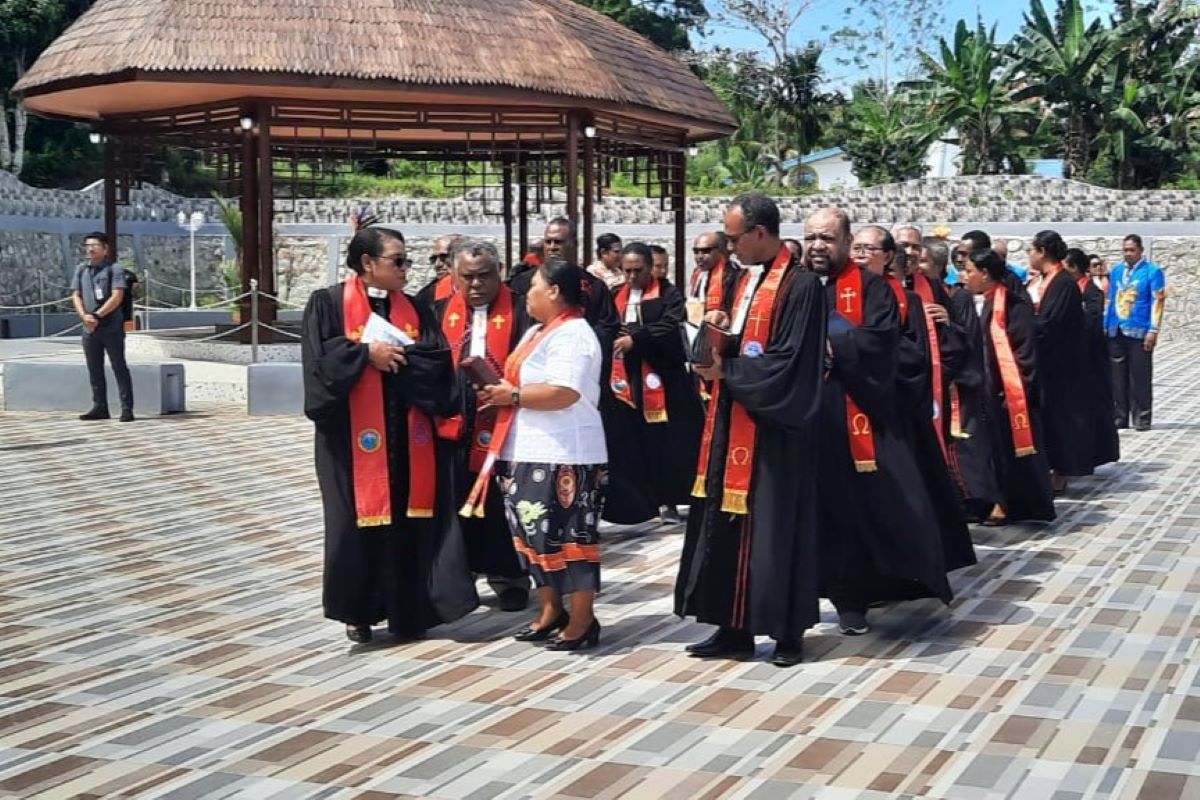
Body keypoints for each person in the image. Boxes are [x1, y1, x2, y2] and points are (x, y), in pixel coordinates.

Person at [301, 226, 476, 643]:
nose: (406, 269)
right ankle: (357, 612)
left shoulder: (415, 309)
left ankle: (408, 612)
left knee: (408, 525)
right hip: (350, 443)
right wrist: (365, 355)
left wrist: (397, 359)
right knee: (352, 526)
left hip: (407, 437)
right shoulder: (326, 304)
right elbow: (318, 369)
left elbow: (436, 367)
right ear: (367, 263)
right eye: (397, 261)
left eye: (406, 261)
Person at [675, 192, 826, 668]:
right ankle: (733, 627)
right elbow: (749, 345)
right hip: (731, 421)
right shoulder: (742, 280)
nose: (729, 247)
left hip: (775, 432)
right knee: (728, 524)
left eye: (734, 238)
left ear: (760, 233)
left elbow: (790, 363)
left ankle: (787, 633)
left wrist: (729, 373)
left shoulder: (802, 287)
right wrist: (721, 330)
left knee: (776, 531)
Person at [822, 222, 958, 633]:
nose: (861, 255)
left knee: (895, 507)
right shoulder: (824, 289)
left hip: (888, 417)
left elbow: (911, 357)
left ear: (887, 255)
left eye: (869, 249)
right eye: (856, 248)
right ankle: (851, 597)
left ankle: (900, 578)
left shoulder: (902, 298)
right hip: (833, 419)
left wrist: (848, 351)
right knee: (842, 513)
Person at [471, 257, 609, 652]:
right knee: (532, 535)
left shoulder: (574, 335)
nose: (525, 295)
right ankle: (551, 608)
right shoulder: (537, 331)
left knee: (570, 536)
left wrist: (510, 395)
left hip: (565, 453)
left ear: (553, 291)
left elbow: (564, 392)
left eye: (533, 287)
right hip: (526, 447)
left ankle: (582, 618)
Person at [430, 239, 531, 612]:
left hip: (508, 423)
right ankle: (460, 575)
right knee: (457, 501)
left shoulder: (522, 310)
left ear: (500, 272)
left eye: (484, 276)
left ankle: (510, 576)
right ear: (453, 275)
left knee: (502, 504)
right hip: (455, 425)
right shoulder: (437, 310)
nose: (476, 285)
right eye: (467, 277)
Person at [603, 242, 703, 525]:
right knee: (633, 442)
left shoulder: (669, 294)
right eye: (627, 271)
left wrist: (637, 338)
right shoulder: (615, 294)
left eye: (638, 271)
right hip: (627, 380)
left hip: (663, 379)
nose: (632, 277)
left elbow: (671, 325)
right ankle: (640, 504)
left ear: (650, 268)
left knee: (665, 443)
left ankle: (670, 500)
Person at [961, 248, 1055, 525]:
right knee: (990, 449)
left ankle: (1008, 503)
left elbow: (1025, 351)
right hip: (985, 389)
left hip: (1009, 393)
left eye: (969, 271)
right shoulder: (975, 301)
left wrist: (1018, 388)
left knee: (1011, 451)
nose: (965, 277)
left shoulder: (1014, 304)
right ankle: (994, 498)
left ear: (986, 274)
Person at [1028, 230, 1095, 491]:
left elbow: (1051, 323)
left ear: (1043, 251)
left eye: (1032, 250)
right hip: (1046, 364)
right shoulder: (1044, 279)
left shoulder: (1063, 283)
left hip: (1062, 365)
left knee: (1061, 419)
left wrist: (1024, 322)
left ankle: (1061, 472)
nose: (1030, 256)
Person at [1065, 248, 1120, 469]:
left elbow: (1090, 325)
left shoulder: (1091, 293)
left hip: (1091, 361)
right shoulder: (1069, 290)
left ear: (1076, 269)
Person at [70, 232, 135, 422]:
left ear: (105, 248)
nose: (90, 249)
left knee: (118, 366)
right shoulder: (82, 269)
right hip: (89, 327)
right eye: (87, 245)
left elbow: (117, 296)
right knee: (94, 368)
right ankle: (99, 406)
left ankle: (126, 408)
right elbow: (76, 295)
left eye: (94, 245)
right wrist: (84, 316)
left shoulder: (114, 269)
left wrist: (98, 315)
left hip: (111, 326)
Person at [1106, 234, 1166, 431]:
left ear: (1140, 250)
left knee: (1139, 376)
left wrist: (1153, 329)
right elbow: (1111, 299)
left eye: (1131, 250)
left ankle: (1142, 417)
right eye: (1125, 250)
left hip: (1139, 329)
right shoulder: (1116, 272)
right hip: (1116, 329)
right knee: (1117, 377)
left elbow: (1158, 301)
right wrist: (1106, 326)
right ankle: (1120, 416)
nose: (1128, 254)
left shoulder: (1152, 272)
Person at [415, 234, 462, 307]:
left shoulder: (482, 289)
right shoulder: (425, 297)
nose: (437, 265)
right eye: (433, 259)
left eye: (444, 258)